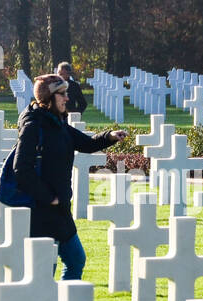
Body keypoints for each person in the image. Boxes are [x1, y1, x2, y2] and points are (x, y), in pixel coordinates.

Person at [12, 73, 127, 279]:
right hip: (40, 213)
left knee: (76, 260)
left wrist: (109, 136)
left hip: (60, 212)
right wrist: (49, 197)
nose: (67, 98)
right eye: (62, 94)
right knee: (45, 271)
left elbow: (86, 144)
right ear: (48, 98)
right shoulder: (33, 127)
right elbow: (21, 170)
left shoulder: (59, 124)